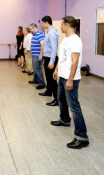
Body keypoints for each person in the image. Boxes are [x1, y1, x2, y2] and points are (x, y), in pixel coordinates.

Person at [51, 16, 89, 149]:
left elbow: (75, 61)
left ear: (67, 25)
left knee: (74, 106)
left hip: (70, 77)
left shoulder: (76, 40)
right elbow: (62, 57)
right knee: (61, 99)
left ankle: (82, 137)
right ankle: (64, 119)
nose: (60, 27)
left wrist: (70, 79)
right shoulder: (66, 39)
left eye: (61, 24)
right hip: (62, 75)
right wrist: (56, 69)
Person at [39, 16, 59, 106]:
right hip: (47, 57)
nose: (42, 25)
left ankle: (57, 100)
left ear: (46, 22)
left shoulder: (52, 33)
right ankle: (49, 91)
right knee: (48, 78)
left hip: (51, 59)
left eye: (43, 23)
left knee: (52, 80)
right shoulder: (48, 32)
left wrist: (51, 61)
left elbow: (54, 49)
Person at [28, 23, 46, 89]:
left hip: (38, 55)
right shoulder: (34, 34)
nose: (30, 31)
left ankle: (42, 83)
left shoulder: (40, 34)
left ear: (34, 28)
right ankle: (35, 80)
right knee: (35, 68)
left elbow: (42, 45)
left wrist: (40, 54)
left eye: (30, 29)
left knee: (37, 68)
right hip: (34, 54)